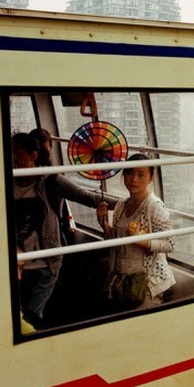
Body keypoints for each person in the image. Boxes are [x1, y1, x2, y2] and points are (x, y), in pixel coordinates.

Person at [12, 132, 105, 327]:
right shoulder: (5, 182)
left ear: (33, 155)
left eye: (18, 154)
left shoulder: (50, 182)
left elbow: (87, 197)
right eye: (10, 153)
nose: (13, 159)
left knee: (31, 317)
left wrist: (130, 204)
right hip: (16, 265)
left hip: (46, 263)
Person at [97, 153, 175, 308]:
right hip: (124, 282)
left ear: (151, 178)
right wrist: (102, 220)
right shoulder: (121, 205)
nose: (134, 180)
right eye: (130, 173)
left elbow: (169, 244)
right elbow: (116, 240)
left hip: (147, 284)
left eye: (141, 175)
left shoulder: (154, 206)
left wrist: (141, 241)